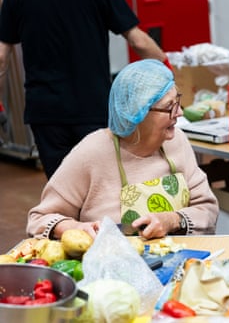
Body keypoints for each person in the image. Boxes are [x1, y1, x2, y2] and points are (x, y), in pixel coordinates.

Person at [0, 0, 170, 179]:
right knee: (104, 186)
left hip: (46, 112)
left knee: (62, 188)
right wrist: (169, 75)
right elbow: (138, 41)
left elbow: (1, 57)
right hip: (93, 108)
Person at [27, 59, 219, 240]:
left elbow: (207, 209)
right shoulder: (91, 152)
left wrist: (173, 220)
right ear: (138, 113)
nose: (180, 112)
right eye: (170, 106)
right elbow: (39, 219)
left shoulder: (177, 142)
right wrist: (73, 228)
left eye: (177, 101)